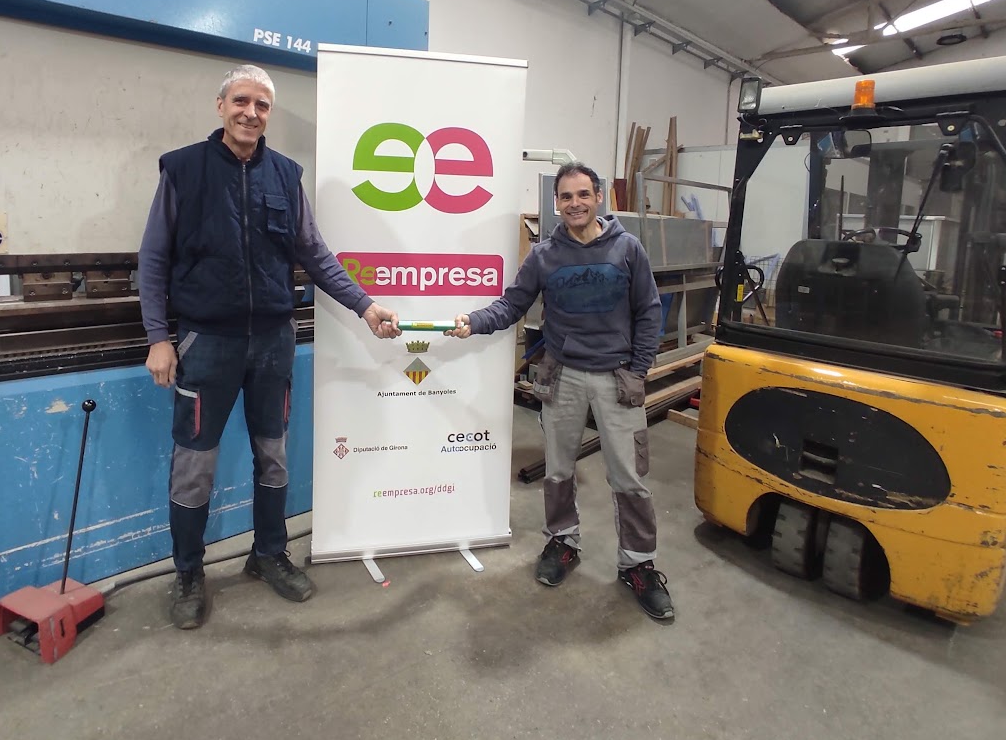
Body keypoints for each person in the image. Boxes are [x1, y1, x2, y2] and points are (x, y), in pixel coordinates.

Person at [139, 63, 401, 629]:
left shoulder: (285, 175)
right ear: (221, 106)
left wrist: (365, 305)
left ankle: (269, 555)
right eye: (241, 101)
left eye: (261, 105)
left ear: (269, 114)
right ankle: (188, 572)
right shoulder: (182, 169)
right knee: (194, 464)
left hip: (273, 342)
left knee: (273, 456)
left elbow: (315, 253)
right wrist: (158, 337)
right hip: (206, 342)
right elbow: (154, 257)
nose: (250, 113)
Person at [446, 162, 673, 619]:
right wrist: (474, 321)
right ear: (557, 203)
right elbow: (513, 304)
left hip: (617, 378)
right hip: (563, 376)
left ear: (598, 197)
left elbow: (649, 311)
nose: (575, 204)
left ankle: (638, 564)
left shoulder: (627, 249)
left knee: (629, 479)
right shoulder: (545, 256)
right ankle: (563, 541)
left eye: (583, 194)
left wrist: (639, 369)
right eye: (566, 196)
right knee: (558, 471)